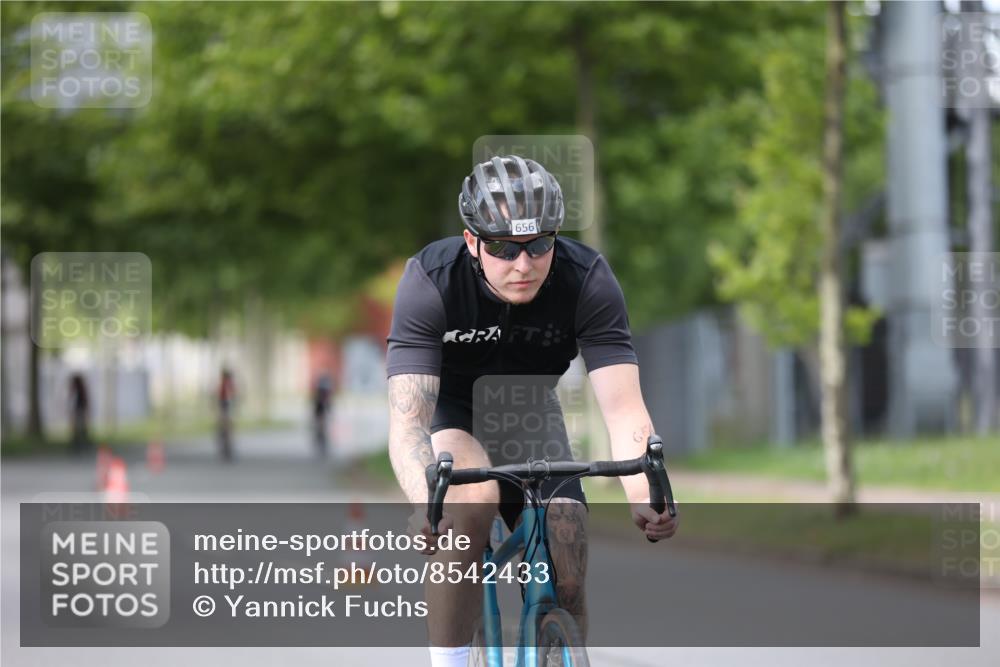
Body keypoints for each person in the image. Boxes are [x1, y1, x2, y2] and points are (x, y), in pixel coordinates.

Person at [386, 155, 679, 667]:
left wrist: (643, 494)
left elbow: (625, 407)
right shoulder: (431, 280)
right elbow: (409, 420)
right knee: (468, 504)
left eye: (540, 244)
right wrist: (425, 504)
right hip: (452, 409)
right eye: (503, 248)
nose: (523, 264)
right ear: (472, 241)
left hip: (528, 411)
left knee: (568, 538)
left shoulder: (586, 279)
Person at [312, 372, 335, 457]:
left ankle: (322, 439)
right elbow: (317, 405)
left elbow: (329, 404)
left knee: (323, 426)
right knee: (320, 425)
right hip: (319, 410)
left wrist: (330, 412)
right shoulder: (320, 391)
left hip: (322, 410)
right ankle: (319, 438)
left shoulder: (325, 390)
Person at [68, 372, 91, 454]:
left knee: (78, 429)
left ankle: (79, 445)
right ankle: (80, 445)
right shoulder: (80, 391)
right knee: (80, 429)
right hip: (79, 412)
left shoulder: (78, 391)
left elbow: (74, 403)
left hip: (79, 412)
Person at [217, 367, 236, 461]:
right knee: (226, 429)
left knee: (226, 430)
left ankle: (227, 449)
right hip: (225, 408)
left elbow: (229, 398)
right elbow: (227, 399)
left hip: (225, 408)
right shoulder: (226, 384)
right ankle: (226, 449)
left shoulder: (226, 384)